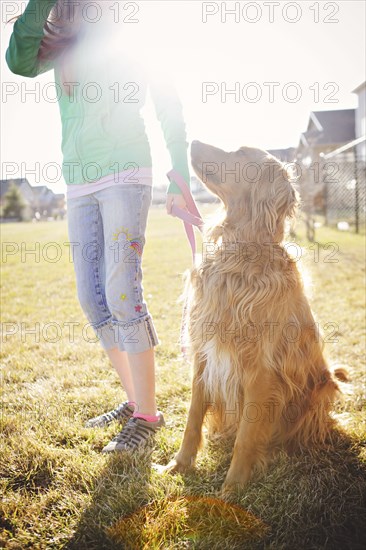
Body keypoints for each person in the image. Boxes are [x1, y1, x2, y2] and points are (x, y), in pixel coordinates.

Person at [5, 0, 191, 452]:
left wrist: (180, 171)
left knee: (123, 291)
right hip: (79, 181)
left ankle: (147, 417)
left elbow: (168, 102)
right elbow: (17, 62)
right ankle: (133, 401)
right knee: (92, 297)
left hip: (126, 172)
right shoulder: (63, 39)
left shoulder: (130, 30)